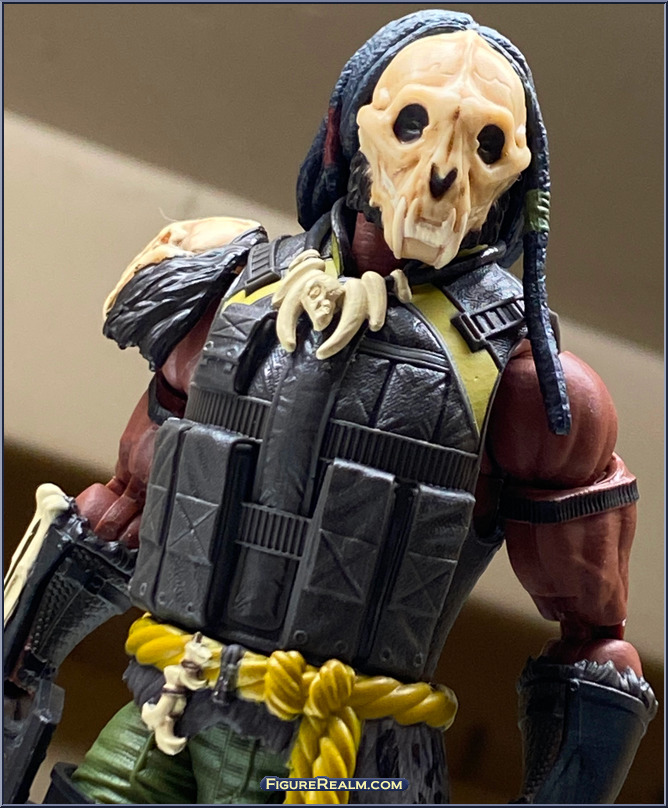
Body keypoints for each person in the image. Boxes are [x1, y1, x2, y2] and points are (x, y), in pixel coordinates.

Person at [4, 10, 656, 805]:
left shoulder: (528, 386)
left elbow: (594, 648)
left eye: (486, 145)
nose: (441, 173)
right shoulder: (229, 296)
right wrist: (17, 669)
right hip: (168, 704)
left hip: (344, 755)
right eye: (412, 125)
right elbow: (122, 509)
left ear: (514, 178)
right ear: (352, 132)